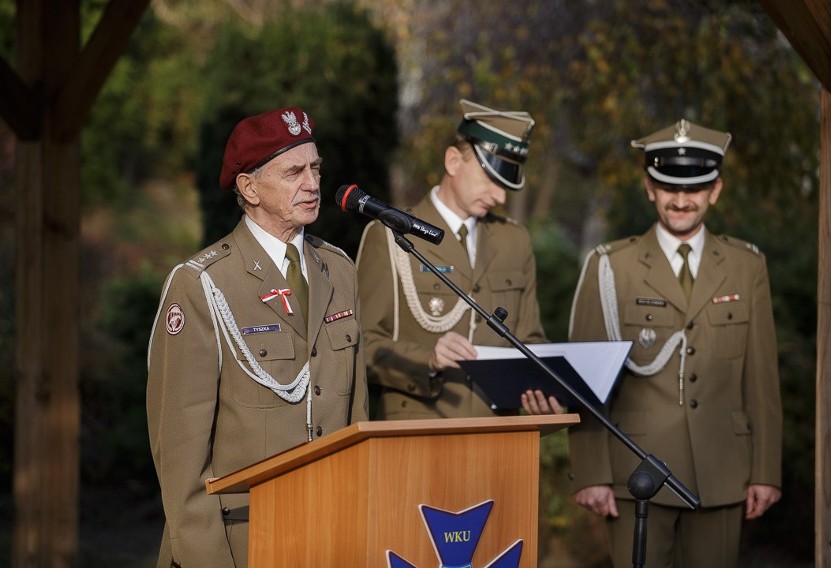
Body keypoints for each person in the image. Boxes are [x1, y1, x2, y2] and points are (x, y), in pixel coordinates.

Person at [146, 107, 368, 568]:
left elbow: (355, 415)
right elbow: (180, 456)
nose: (312, 183)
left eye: (316, 168)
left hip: (332, 533)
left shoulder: (339, 270)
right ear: (248, 187)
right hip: (243, 542)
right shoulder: (202, 283)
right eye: (293, 172)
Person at [567, 119, 782, 568]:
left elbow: (761, 378)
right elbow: (584, 381)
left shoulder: (746, 266)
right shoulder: (611, 267)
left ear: (715, 191)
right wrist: (591, 474)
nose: (681, 200)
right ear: (650, 187)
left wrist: (766, 470)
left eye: (695, 188)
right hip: (635, 475)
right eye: (668, 187)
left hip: (721, 471)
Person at [356, 99, 560, 419]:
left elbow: (529, 339)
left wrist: (544, 389)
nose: (501, 197)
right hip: (419, 439)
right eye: (491, 179)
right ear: (453, 161)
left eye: (506, 184)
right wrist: (428, 359)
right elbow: (360, 346)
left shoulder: (514, 241)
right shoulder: (389, 235)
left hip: (499, 440)